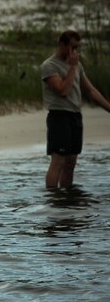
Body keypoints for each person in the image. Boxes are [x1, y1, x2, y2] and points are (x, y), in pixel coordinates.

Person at [41, 30, 110, 189]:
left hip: (75, 116)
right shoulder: (49, 66)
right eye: (72, 47)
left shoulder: (77, 65)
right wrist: (72, 67)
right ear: (62, 45)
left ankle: (68, 198)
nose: (75, 51)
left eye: (78, 48)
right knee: (58, 161)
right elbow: (63, 91)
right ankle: (53, 199)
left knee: (71, 161)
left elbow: (91, 91)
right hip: (59, 116)